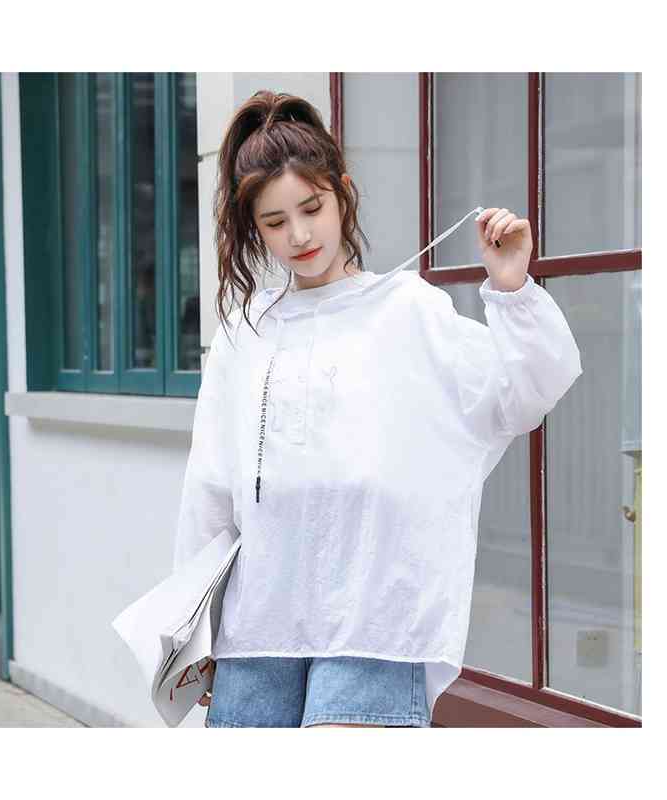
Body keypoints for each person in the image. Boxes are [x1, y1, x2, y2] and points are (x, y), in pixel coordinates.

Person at [173, 90, 583, 728]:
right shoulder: (243, 333)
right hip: (256, 629)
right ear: (253, 228)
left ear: (342, 193)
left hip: (377, 619)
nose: (299, 235)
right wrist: (192, 635)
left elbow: (524, 391)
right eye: (275, 222)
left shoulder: (406, 310)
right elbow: (210, 490)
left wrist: (511, 287)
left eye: (312, 208)